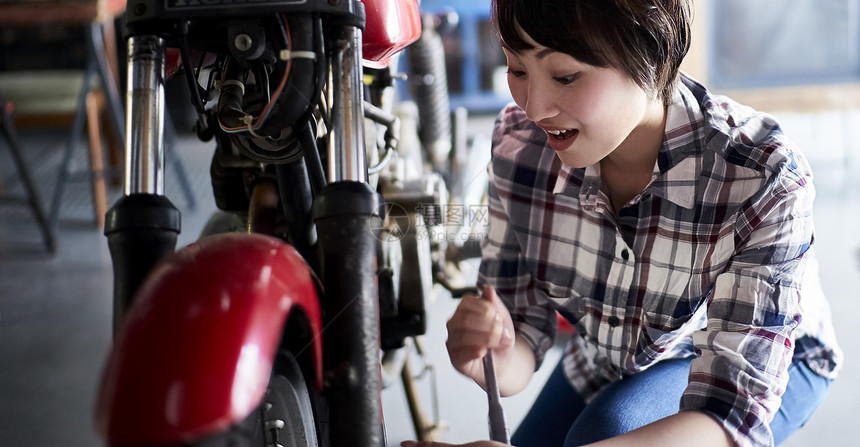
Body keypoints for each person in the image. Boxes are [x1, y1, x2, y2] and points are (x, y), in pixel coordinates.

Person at [406, 0, 843, 446]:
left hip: (762, 360)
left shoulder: (760, 175)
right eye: (517, 70)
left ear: (652, 55)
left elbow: (729, 416)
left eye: (565, 76)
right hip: (612, 351)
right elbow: (521, 330)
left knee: (604, 431)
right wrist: (493, 354)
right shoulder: (520, 147)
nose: (534, 107)